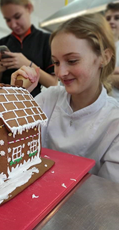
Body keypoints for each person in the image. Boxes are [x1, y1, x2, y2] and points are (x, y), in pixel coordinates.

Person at [11, 13, 119, 183]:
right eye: (56, 62)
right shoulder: (48, 99)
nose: (60, 73)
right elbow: (10, 143)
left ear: (104, 57)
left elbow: (108, 193)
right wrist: (17, 98)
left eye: (72, 60)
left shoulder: (114, 123)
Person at [0, 0, 58, 97]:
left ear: (28, 8)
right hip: (5, 103)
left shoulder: (46, 40)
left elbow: (53, 84)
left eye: (17, 17)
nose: (13, 24)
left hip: (33, 103)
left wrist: (27, 63)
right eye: (8, 20)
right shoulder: (3, 42)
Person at [105, 2, 119, 101]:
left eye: (117, 18)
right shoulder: (94, 47)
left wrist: (101, 74)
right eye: (108, 18)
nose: (111, 21)